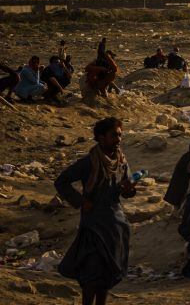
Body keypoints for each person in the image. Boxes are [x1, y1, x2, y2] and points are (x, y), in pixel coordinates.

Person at [54, 117, 136, 305]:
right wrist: (81, 201)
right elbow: (61, 182)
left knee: (107, 274)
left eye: (120, 135)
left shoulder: (121, 161)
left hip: (115, 225)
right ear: (101, 138)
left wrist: (129, 190)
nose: (118, 139)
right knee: (92, 273)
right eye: (114, 135)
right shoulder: (89, 162)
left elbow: (126, 189)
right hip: (93, 226)